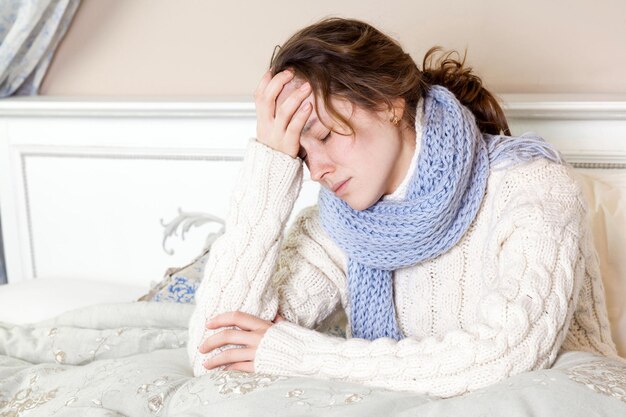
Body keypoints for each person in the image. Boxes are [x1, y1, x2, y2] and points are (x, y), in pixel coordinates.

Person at [187, 17, 618, 398]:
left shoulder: (535, 186)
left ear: (390, 104)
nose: (316, 170)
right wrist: (269, 164)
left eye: (324, 137)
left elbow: (508, 355)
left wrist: (296, 354)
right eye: (299, 155)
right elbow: (216, 350)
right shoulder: (334, 225)